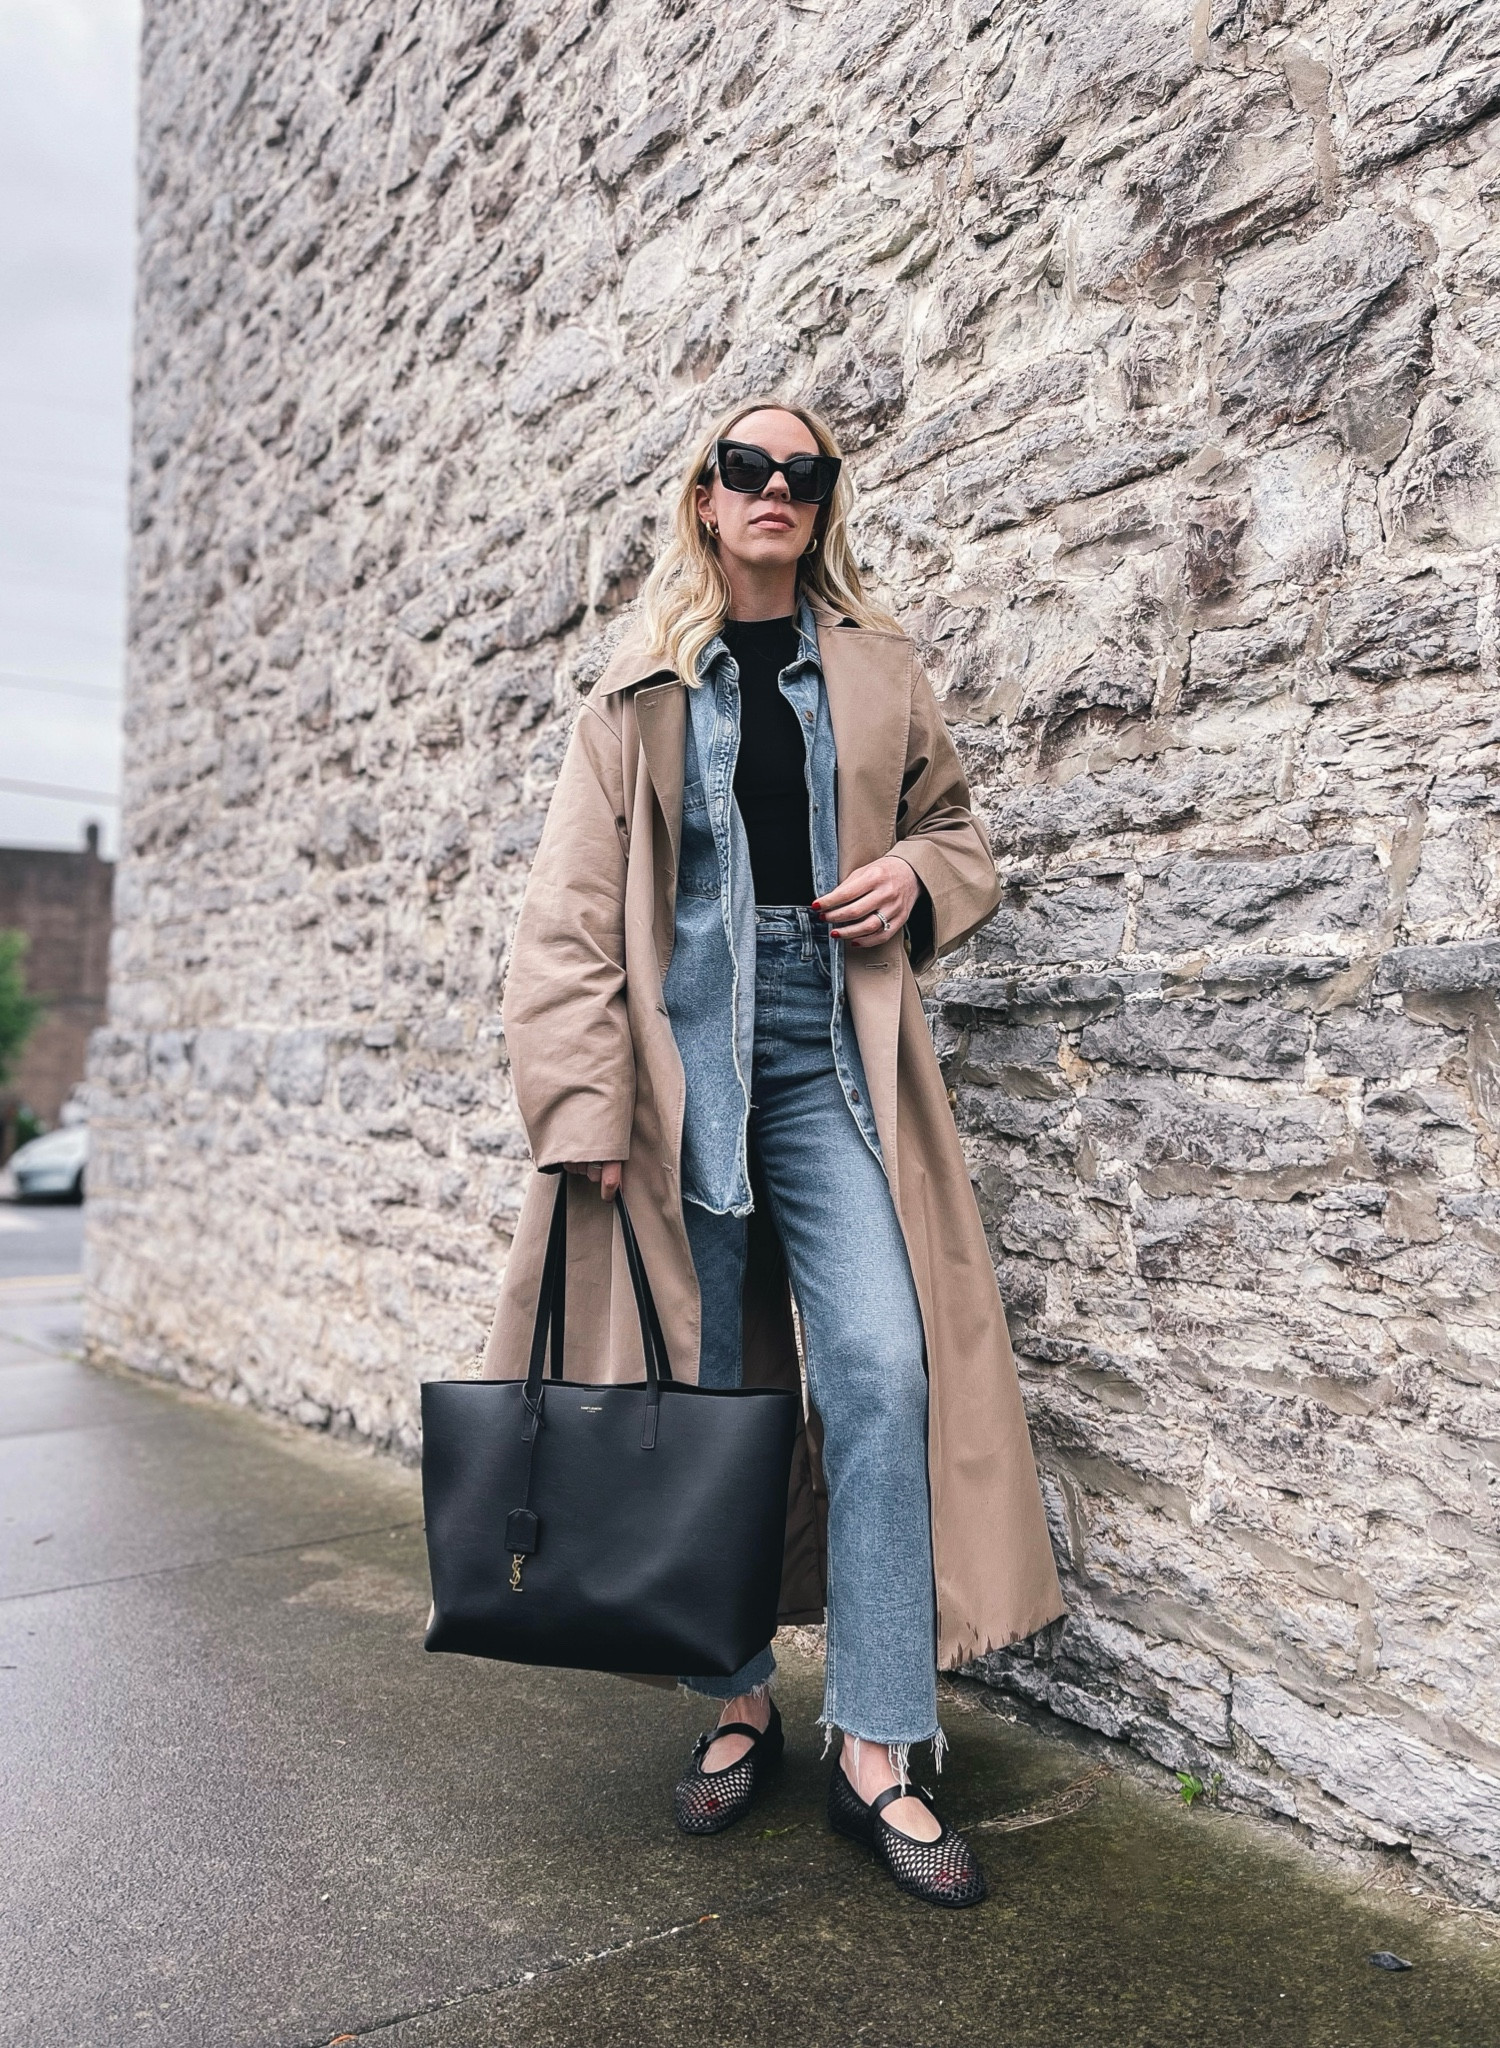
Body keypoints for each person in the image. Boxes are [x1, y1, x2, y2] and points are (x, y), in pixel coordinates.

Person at [480, 399, 1064, 1908]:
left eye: (804, 475)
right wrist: (586, 1112)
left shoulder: (877, 669)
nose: (777, 491)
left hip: (828, 1064)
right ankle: (738, 1701)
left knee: (878, 1363)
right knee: (722, 1397)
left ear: (822, 504)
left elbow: (960, 832)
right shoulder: (636, 691)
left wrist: (911, 880)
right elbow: (564, 923)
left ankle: (878, 1745)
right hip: (683, 1078)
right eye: (750, 468)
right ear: (704, 494)